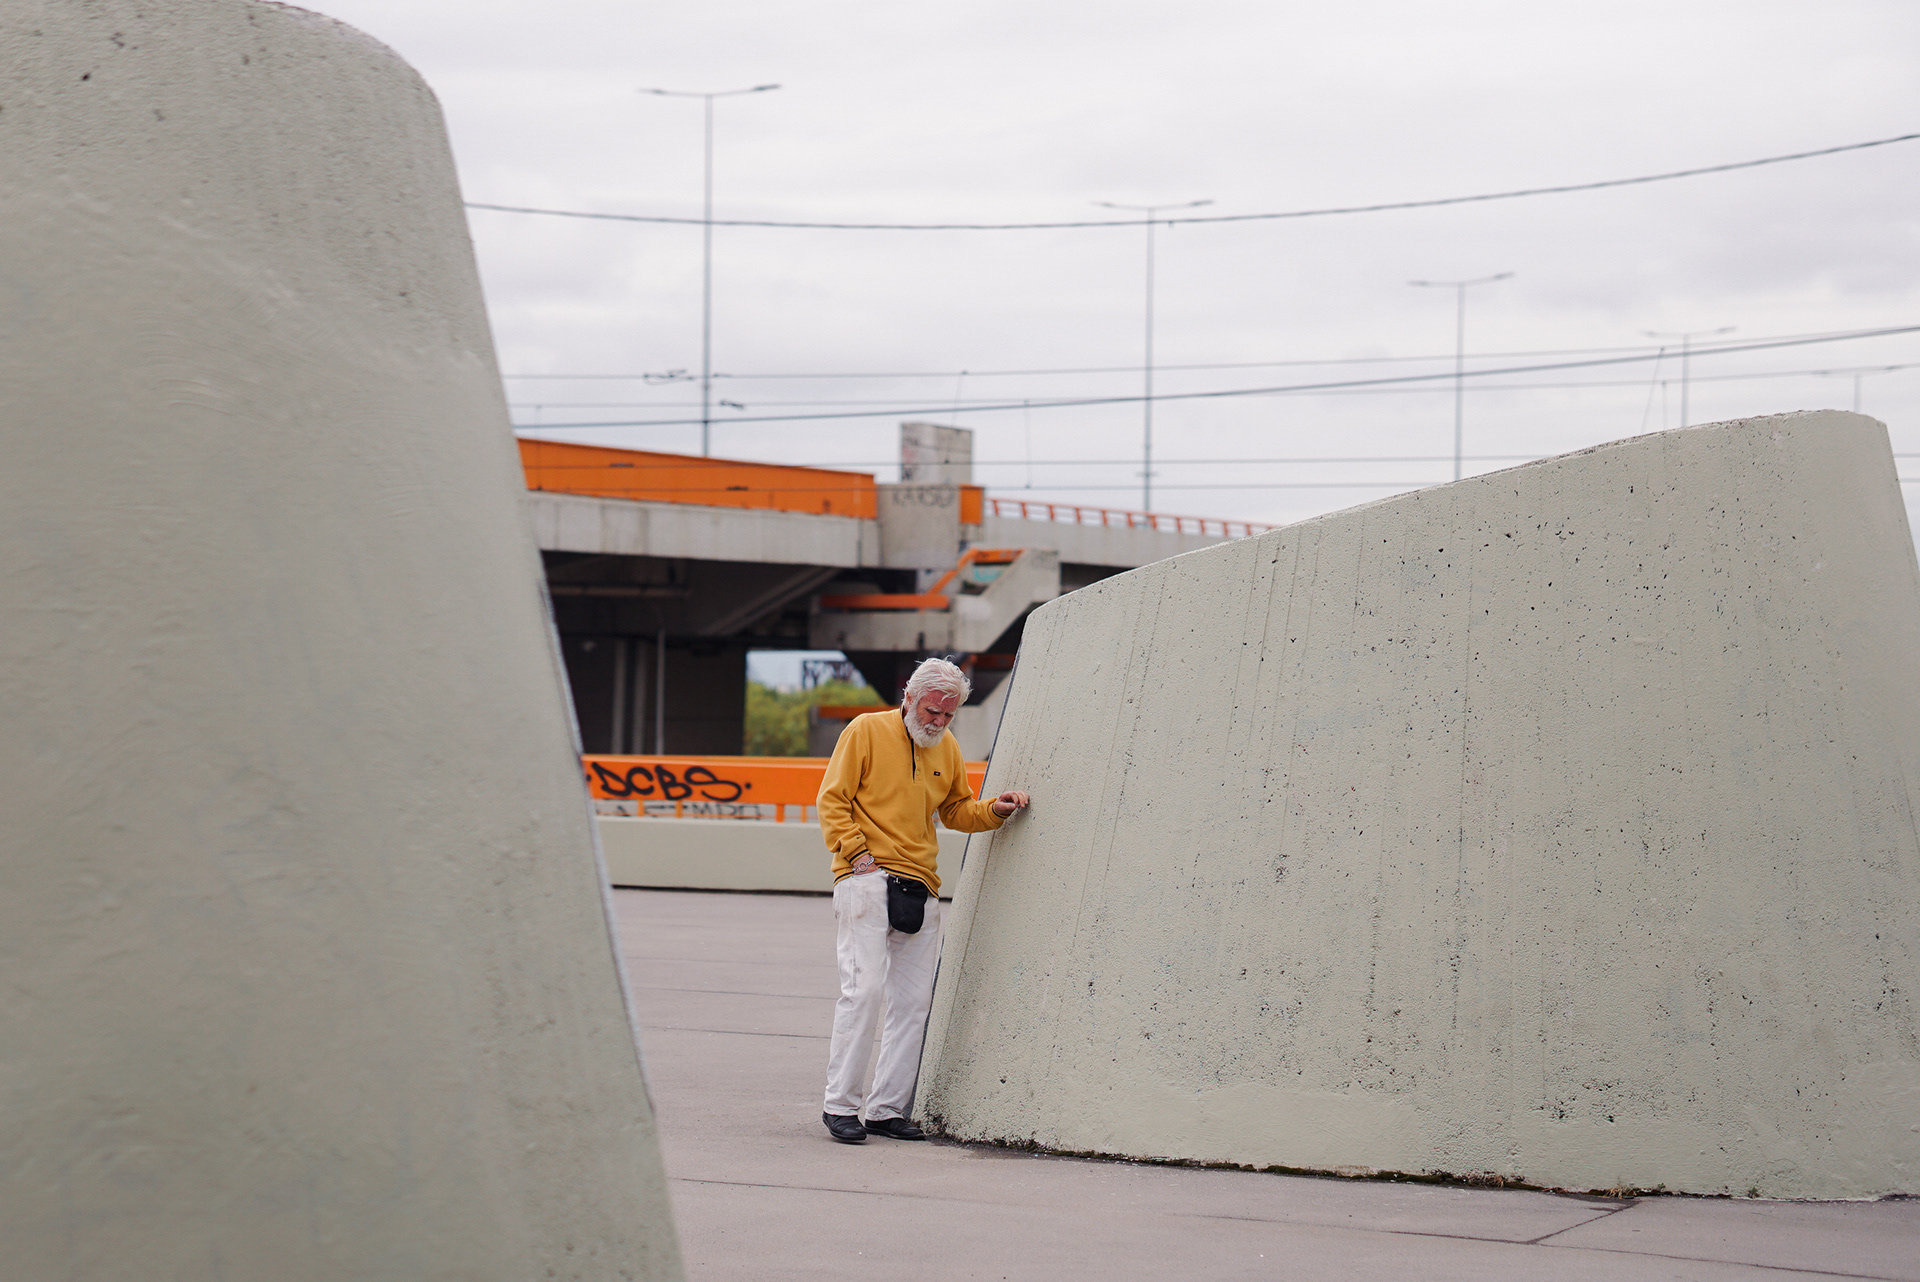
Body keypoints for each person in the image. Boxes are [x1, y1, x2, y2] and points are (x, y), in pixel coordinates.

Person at [816, 656, 1030, 1144]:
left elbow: (956, 810)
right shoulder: (865, 730)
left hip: (921, 887)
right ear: (909, 698)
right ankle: (840, 1106)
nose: (937, 722)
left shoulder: (947, 747)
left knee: (914, 1003)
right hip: (866, 879)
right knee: (863, 991)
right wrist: (858, 856)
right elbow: (832, 798)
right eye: (932, 711)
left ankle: (887, 1110)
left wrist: (994, 809)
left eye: (947, 715)